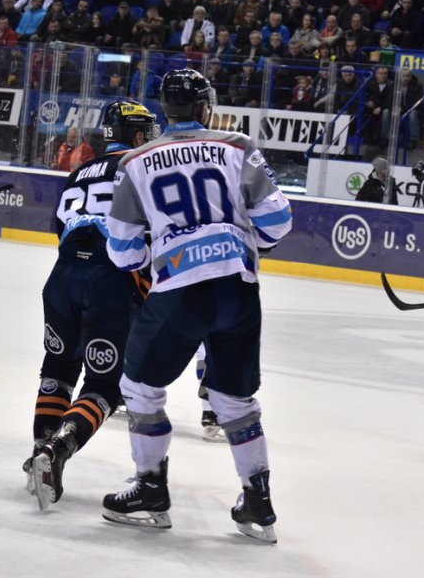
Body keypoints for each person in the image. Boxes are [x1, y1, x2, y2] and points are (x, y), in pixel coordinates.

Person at [102, 69, 293, 543]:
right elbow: (277, 221)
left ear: (165, 109)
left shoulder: (135, 160)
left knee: (139, 386)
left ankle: (150, 489)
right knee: (233, 399)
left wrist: (155, 253)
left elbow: (122, 250)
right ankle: (258, 502)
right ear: (206, 106)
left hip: (180, 289)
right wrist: (243, 240)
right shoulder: (237, 145)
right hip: (238, 288)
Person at [27, 101, 157, 510]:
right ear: (137, 135)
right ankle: (57, 450)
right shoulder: (144, 168)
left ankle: (39, 450)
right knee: (104, 385)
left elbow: (61, 227)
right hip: (110, 283)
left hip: (62, 277)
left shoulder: (79, 171)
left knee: (58, 367)